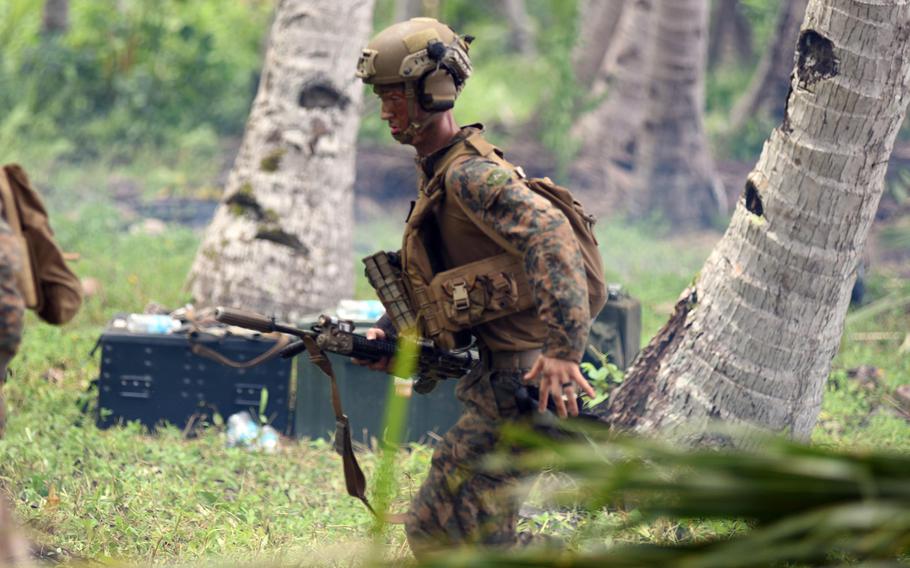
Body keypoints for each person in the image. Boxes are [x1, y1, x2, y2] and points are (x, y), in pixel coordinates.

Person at [354, 18, 597, 556]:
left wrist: (563, 352)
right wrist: (388, 333)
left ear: (432, 92)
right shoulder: (441, 173)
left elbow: (551, 234)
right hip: (500, 380)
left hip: (521, 385)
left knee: (441, 531)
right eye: (380, 97)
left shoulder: (470, 176)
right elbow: (445, 281)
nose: (385, 110)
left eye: (395, 95)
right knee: (467, 535)